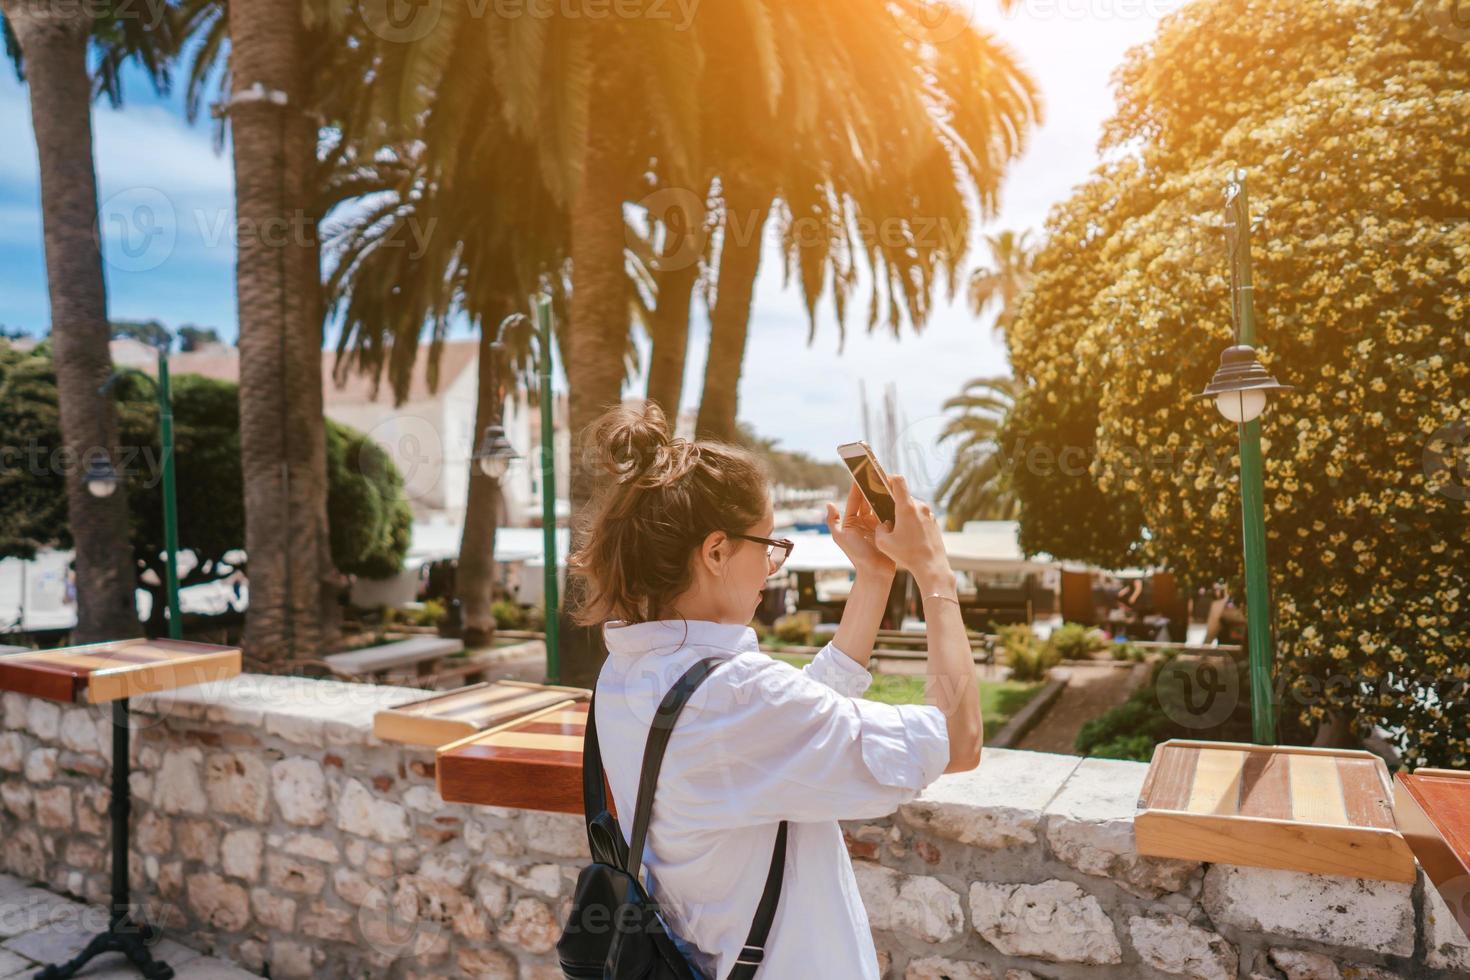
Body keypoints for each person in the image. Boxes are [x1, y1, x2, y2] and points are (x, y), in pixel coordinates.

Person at [566, 404, 982, 979]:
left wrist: (876, 577)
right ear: (715, 553)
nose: (772, 566)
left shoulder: (633, 670)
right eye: (767, 544)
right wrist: (936, 574)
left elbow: (788, 722)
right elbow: (957, 741)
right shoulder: (733, 697)